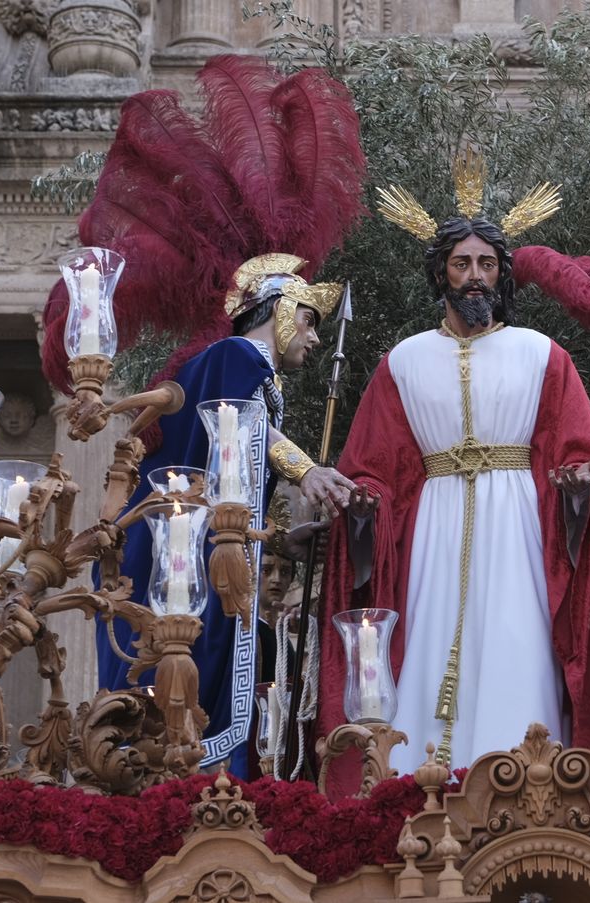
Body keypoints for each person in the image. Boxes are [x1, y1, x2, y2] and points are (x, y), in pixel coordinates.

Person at [39, 55, 367, 775]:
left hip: (191, 541)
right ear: (276, 311)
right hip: (181, 549)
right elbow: (239, 427)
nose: (312, 337)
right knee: (194, 694)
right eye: (306, 320)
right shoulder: (236, 361)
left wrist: (286, 517)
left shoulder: (234, 365)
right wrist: (308, 470)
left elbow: (238, 458)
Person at [317, 172, 590, 780]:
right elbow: (374, 467)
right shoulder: (403, 362)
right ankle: (418, 784)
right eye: (461, 264)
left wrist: (580, 488)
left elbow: (585, 453)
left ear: (501, 275)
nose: (475, 275)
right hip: (434, 528)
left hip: (517, 530)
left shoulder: (541, 353)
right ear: (440, 274)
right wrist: (361, 503)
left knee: (517, 640)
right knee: (426, 643)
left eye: (486, 263)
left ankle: (527, 780)